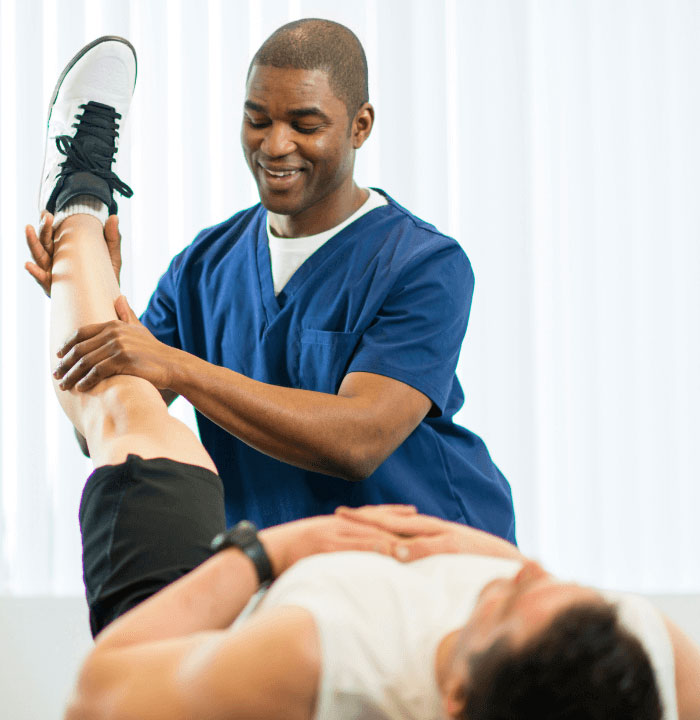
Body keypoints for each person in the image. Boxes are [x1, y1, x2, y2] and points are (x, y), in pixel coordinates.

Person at [26, 21, 516, 541]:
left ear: (360, 126)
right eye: (257, 119)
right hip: (280, 566)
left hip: (430, 554)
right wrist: (88, 287)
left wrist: (179, 368)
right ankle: (82, 199)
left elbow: (357, 443)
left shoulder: (423, 263)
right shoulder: (202, 266)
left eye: (305, 125)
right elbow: (105, 427)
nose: (275, 145)